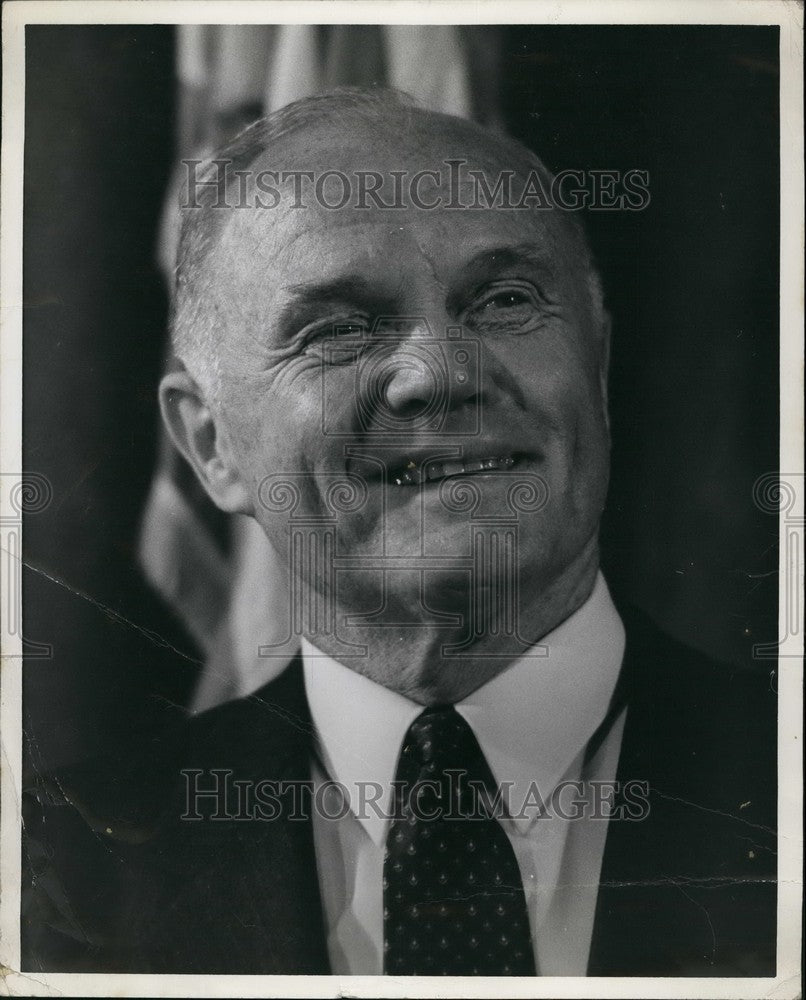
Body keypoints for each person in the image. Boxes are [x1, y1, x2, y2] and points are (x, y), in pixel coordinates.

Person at [22, 88, 776, 977]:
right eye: (338, 329)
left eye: (503, 300)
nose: (442, 374)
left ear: (598, 368)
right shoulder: (54, 865)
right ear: (210, 444)